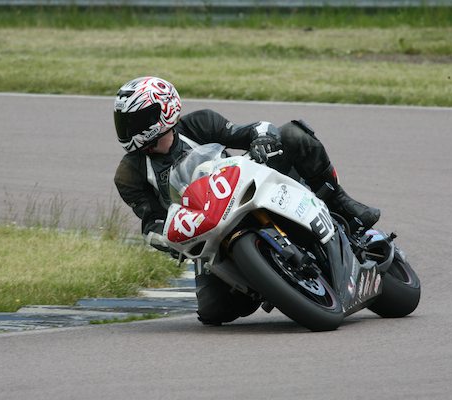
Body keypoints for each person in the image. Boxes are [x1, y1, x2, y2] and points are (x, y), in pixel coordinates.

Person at [113, 76, 380, 325]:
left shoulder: (199, 123)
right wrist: (167, 238)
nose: (128, 130)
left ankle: (340, 202)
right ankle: (264, 282)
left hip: (243, 190)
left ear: (165, 110)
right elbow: (151, 221)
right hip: (207, 230)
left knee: (293, 134)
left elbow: (252, 130)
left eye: (136, 120)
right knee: (213, 311)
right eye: (123, 122)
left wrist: (262, 139)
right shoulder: (129, 174)